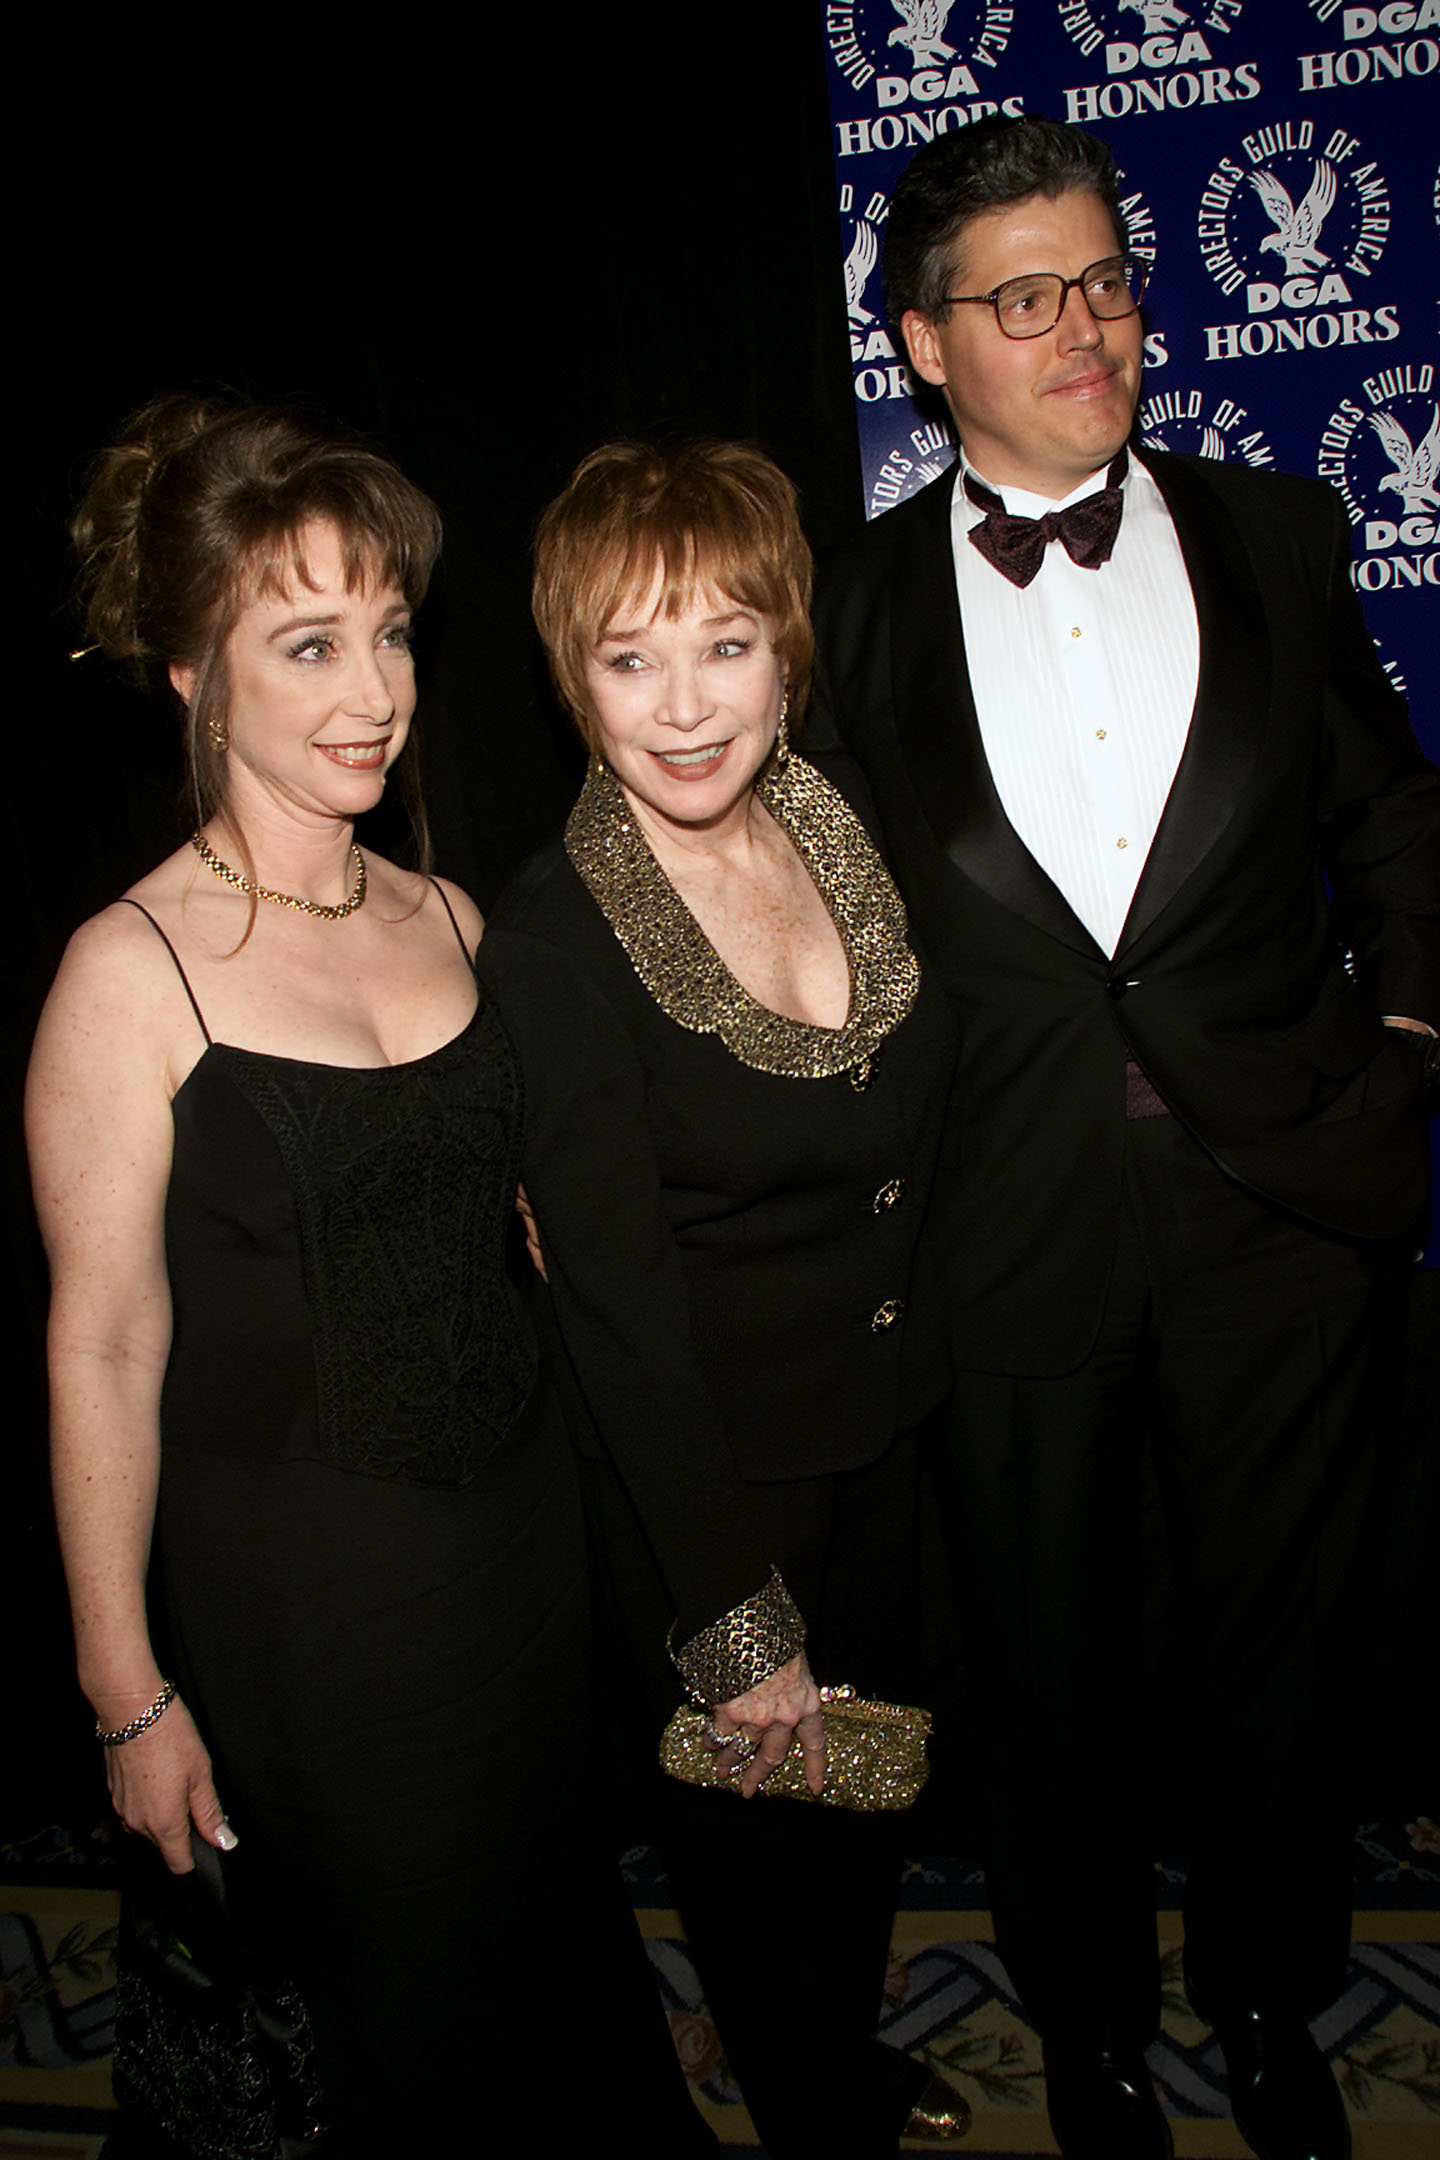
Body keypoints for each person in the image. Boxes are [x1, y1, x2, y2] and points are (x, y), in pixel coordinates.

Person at [809, 113, 1440, 2160]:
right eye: (1023, 296)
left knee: (1286, 1649)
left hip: (1282, 1204)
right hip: (1005, 1228)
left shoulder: (1279, 533)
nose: (1083, 325)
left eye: (1104, 281)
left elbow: (1396, 829)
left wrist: (1405, 1044)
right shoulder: (845, 613)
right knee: (1046, 1671)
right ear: (923, 347)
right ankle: (1082, 2038)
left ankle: (1271, 2005)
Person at [25, 396, 710, 2156]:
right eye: (308, 643)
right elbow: (103, 1346)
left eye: (392, 632)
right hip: (307, 1618)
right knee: (392, 2032)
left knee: (546, 1973)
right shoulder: (129, 972)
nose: (376, 690)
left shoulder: (456, 920)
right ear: (195, 675)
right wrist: (127, 1691)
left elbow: (545, 1242)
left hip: (516, 1560)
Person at [473, 440, 966, 2158]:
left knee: (868, 1805)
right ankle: (815, 2104)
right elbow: (614, 1314)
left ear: (789, 651)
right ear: (571, 677)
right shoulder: (553, 944)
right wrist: (731, 1610)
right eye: (630, 657)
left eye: (726, 644)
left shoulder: (840, 815)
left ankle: (839, 2046)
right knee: (758, 1860)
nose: (685, 707)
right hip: (711, 1498)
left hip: (885, 1443)